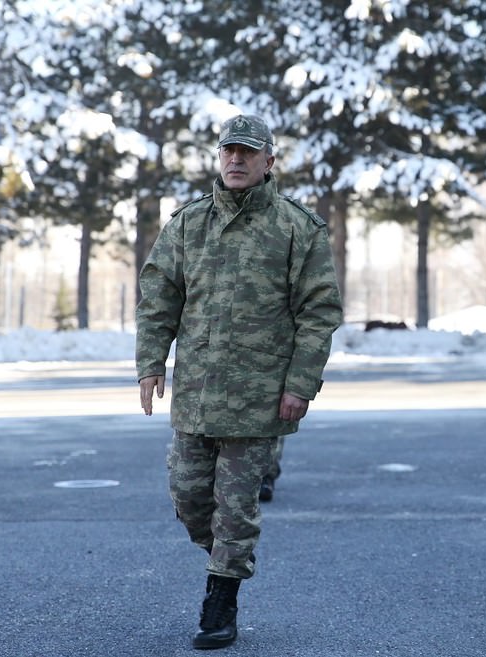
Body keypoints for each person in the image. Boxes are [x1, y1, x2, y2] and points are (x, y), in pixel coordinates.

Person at [136, 114, 344, 648]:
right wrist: (151, 362)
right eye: (229, 150)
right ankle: (228, 555)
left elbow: (319, 312)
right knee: (188, 497)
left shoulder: (297, 227)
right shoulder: (188, 223)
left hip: (259, 397)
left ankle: (221, 598)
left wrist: (300, 383)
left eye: (248, 152)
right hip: (197, 391)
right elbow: (159, 297)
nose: (236, 159)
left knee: (236, 506)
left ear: (268, 161)